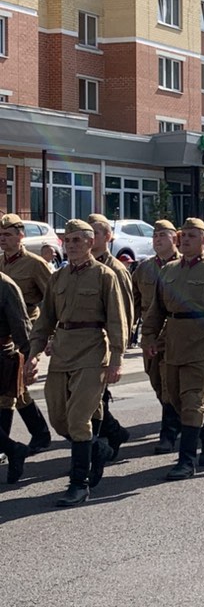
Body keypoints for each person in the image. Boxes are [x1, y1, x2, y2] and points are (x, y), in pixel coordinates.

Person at [24, 219, 127, 507]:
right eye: (67, 241)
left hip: (93, 352)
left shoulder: (105, 276)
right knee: (59, 418)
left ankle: (78, 484)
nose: (71, 246)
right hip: (62, 353)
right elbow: (45, 320)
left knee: (79, 419)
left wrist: (116, 359)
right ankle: (97, 448)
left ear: (91, 242)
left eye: (78, 240)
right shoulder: (58, 278)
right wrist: (33, 353)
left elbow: (118, 321)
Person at [141, 218, 204, 480]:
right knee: (174, 399)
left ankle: (186, 461)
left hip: (202, 344)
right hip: (173, 343)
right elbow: (156, 310)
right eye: (183, 236)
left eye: (192, 236)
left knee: (193, 400)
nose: (185, 240)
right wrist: (148, 336)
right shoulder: (169, 270)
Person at [0, 214, 53, 455]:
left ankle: (8, 448)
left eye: (8, 235)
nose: (3, 240)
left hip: (25, 328)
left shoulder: (34, 264)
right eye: (1, 236)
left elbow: (53, 299)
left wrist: (49, 336)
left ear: (21, 235)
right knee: (16, 389)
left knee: (9, 392)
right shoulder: (1, 264)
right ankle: (40, 433)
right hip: (5, 329)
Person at [131, 219, 181, 454]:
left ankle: (169, 433)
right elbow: (135, 302)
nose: (157, 239)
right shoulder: (144, 268)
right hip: (151, 336)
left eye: (163, 235)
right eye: (155, 236)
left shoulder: (185, 266)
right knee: (157, 382)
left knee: (173, 385)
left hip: (177, 334)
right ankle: (195, 421)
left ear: (175, 238)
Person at [88, 213, 134, 460]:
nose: (91, 237)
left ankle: (94, 447)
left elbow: (126, 312)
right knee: (91, 399)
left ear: (108, 236)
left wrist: (119, 350)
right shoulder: (80, 267)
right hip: (83, 344)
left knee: (95, 399)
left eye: (96, 232)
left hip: (105, 342)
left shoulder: (116, 269)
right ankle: (113, 433)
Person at [0, 273, 34, 483]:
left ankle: (14, 449)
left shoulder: (5, 285)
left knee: (6, 404)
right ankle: (13, 449)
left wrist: (31, 360)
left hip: (1, 353)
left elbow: (21, 325)